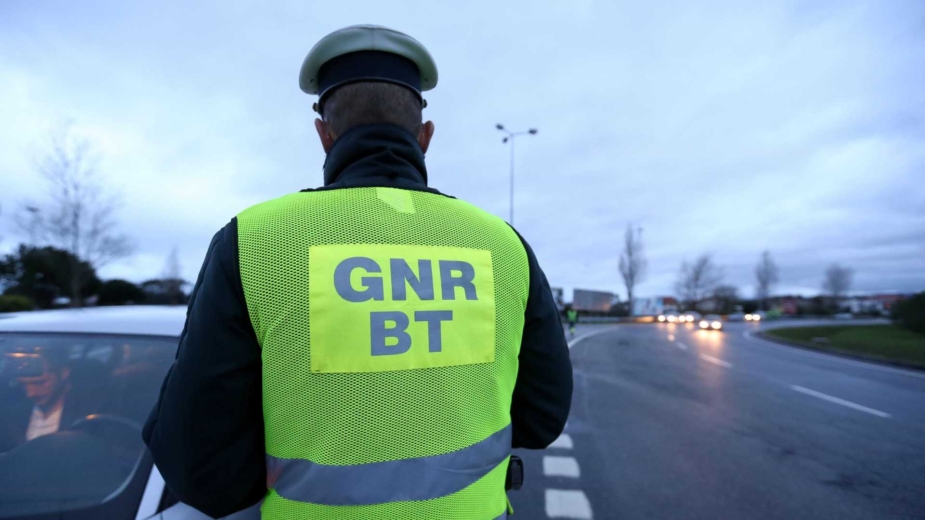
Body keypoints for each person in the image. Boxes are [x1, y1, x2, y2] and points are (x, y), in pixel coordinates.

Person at [143, 25, 572, 519]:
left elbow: (201, 462)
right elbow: (541, 418)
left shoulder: (255, 240)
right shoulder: (503, 245)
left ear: (324, 134)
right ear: (425, 137)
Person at [0, 349, 86, 452]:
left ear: (64, 373)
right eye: (24, 385)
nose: (31, 393)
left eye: (40, 383)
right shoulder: (10, 412)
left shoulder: (87, 413)